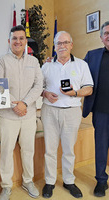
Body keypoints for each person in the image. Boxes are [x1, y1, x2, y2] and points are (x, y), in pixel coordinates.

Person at [0, 25, 42, 200]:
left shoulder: (34, 62)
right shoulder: (0, 61)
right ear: (9, 41)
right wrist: (16, 104)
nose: (18, 41)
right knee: (6, 151)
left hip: (28, 115)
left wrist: (25, 103)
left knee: (28, 150)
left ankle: (28, 181)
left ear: (25, 41)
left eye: (21, 38)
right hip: (7, 116)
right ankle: (6, 186)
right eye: (14, 38)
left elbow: (38, 85)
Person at [41, 31, 93, 198]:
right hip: (49, 111)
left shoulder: (81, 65)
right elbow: (38, 87)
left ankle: (69, 180)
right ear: (55, 47)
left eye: (65, 42)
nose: (62, 46)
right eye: (58, 43)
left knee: (69, 149)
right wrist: (45, 93)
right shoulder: (47, 65)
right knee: (50, 149)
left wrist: (74, 93)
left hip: (72, 112)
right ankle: (49, 181)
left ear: (71, 45)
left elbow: (89, 88)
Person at [83, 21, 109, 197]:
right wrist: (54, 61)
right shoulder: (92, 56)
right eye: (106, 33)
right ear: (101, 38)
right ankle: (101, 181)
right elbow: (75, 72)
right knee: (101, 146)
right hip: (101, 111)